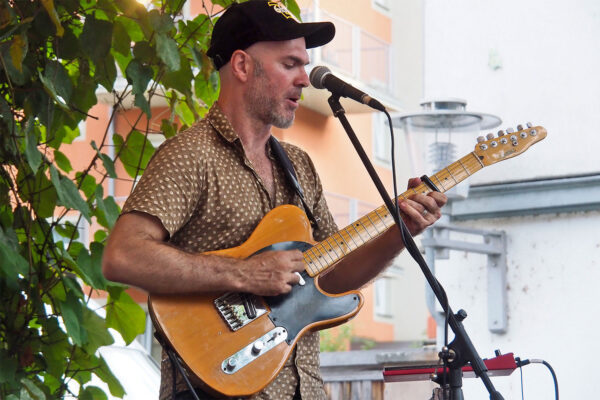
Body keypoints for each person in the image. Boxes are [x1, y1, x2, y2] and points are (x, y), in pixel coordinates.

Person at [101, 1, 447, 399]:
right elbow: (122, 255)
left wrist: (399, 231)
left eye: (305, 64)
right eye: (289, 64)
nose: (305, 79)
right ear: (243, 66)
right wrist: (243, 274)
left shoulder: (298, 165)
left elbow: (332, 275)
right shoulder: (190, 155)